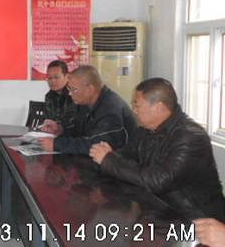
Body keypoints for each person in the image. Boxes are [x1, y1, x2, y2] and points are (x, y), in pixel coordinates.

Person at [90, 78, 225, 221]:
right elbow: (127, 155)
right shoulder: (146, 129)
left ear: (158, 107)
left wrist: (108, 160)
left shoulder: (190, 137)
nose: (134, 110)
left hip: (195, 217)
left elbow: (158, 180)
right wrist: (107, 156)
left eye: (137, 105)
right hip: (159, 208)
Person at [39, 65, 136, 154]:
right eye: (69, 89)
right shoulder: (85, 102)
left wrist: (57, 144)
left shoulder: (110, 110)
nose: (70, 93)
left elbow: (96, 145)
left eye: (73, 89)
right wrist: (60, 129)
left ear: (89, 89)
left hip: (118, 162)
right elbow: (78, 131)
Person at [43, 60, 76, 130]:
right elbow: (48, 119)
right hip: (54, 133)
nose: (52, 81)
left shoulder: (74, 94)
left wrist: (57, 126)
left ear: (67, 77)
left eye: (56, 77)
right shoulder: (49, 96)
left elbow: (72, 121)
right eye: (49, 78)